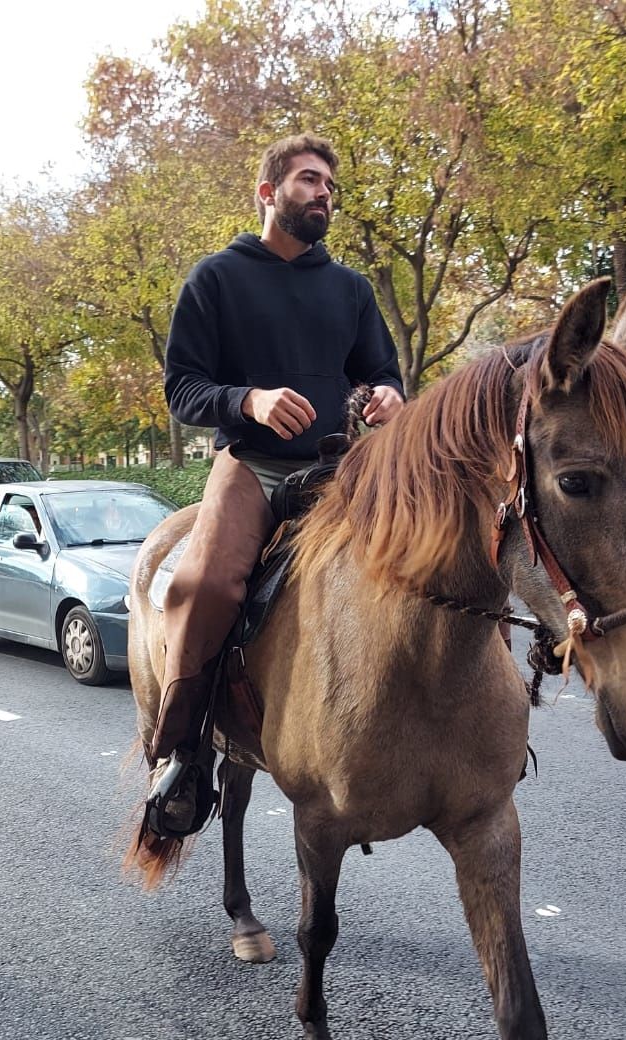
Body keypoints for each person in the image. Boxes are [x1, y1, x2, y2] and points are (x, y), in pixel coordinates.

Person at [145, 132, 406, 836]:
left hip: (339, 467)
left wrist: (387, 396)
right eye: (310, 180)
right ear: (268, 193)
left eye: (330, 185)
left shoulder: (350, 288)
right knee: (205, 587)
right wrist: (249, 401)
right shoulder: (216, 279)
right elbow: (183, 388)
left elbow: (382, 370)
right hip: (252, 465)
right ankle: (181, 751)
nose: (325, 193)